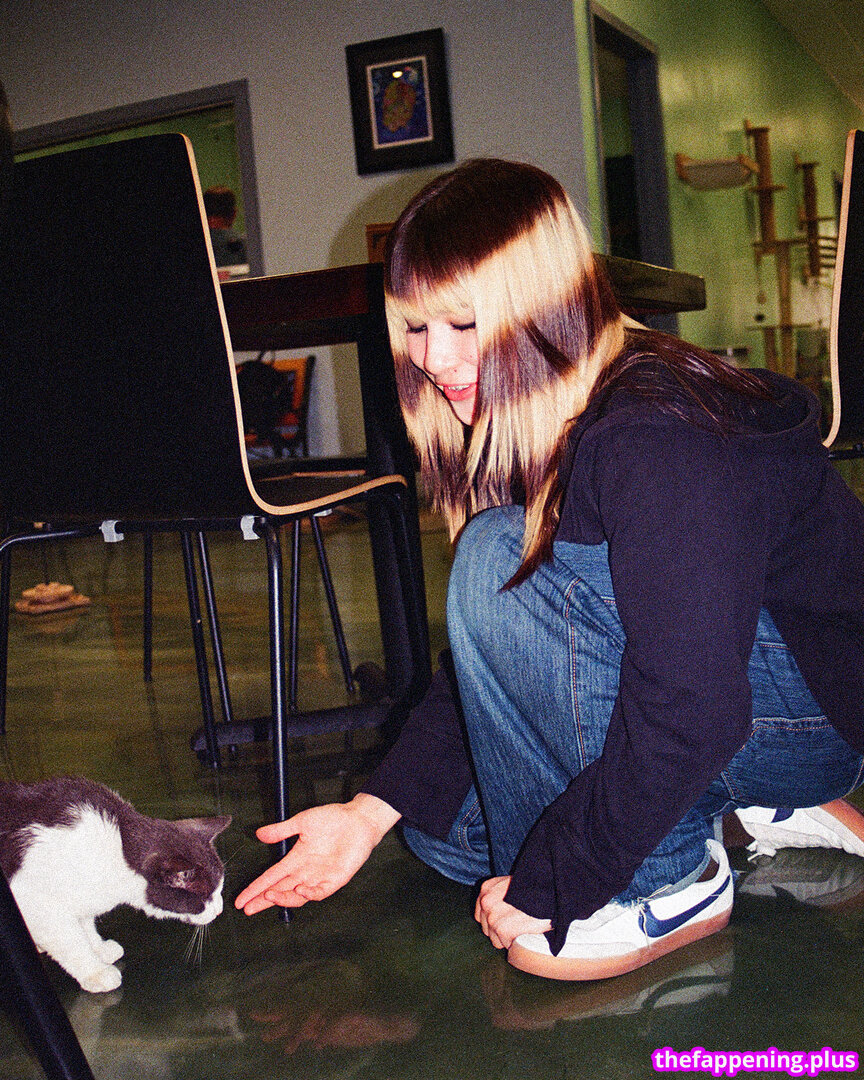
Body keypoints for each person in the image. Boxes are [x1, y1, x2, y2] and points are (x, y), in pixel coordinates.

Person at [236, 159, 864, 981]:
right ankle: (718, 799)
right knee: (445, 833)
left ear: (547, 308)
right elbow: (499, 656)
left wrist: (560, 877)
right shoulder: (539, 414)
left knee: (498, 556)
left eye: (463, 322)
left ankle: (674, 880)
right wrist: (367, 813)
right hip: (714, 686)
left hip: (807, 712)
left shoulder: (656, 435)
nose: (433, 358)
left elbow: (695, 707)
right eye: (414, 327)